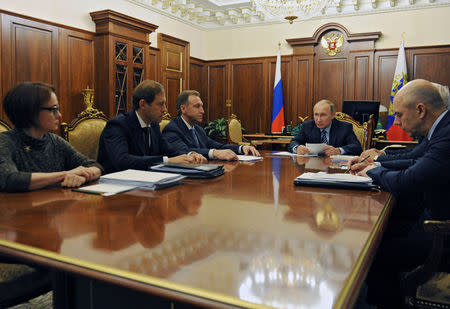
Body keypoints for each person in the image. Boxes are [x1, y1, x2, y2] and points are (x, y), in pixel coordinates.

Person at [348, 79, 450, 307]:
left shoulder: (447, 135)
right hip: (430, 215)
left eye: (400, 115)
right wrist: (376, 160)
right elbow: (414, 157)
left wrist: (373, 172)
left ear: (421, 110)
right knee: (372, 236)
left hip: (441, 232)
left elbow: (408, 179)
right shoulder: (441, 128)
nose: (397, 122)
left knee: (375, 253)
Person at [0, 82, 102, 192]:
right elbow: (10, 180)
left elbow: (94, 165)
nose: (59, 115)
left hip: (54, 205)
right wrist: (66, 174)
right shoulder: (5, 141)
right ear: (30, 111)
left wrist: (83, 176)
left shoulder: (55, 141)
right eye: (53, 109)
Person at [97, 81, 205, 173]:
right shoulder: (118, 125)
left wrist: (190, 154)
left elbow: (170, 151)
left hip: (146, 184)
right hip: (115, 188)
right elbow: (122, 161)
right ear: (143, 104)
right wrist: (167, 161)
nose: (165, 110)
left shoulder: (153, 125)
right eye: (160, 104)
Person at [360, 82, 449, 161]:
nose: (396, 122)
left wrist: (375, 161)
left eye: (399, 115)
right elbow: (414, 153)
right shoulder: (434, 130)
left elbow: (413, 163)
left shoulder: (444, 134)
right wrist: (381, 154)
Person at [162, 90, 260, 161]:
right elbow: (184, 151)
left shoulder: (198, 129)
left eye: (202, 106)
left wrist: (241, 148)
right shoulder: (173, 128)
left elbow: (217, 146)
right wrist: (214, 153)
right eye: (197, 106)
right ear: (183, 109)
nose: (202, 111)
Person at [288, 99, 362, 156]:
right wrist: (297, 148)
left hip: (335, 168)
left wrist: (339, 150)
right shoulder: (307, 126)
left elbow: (357, 147)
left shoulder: (344, 127)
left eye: (323, 115)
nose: (319, 119)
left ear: (333, 115)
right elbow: (293, 142)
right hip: (313, 168)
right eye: (316, 115)